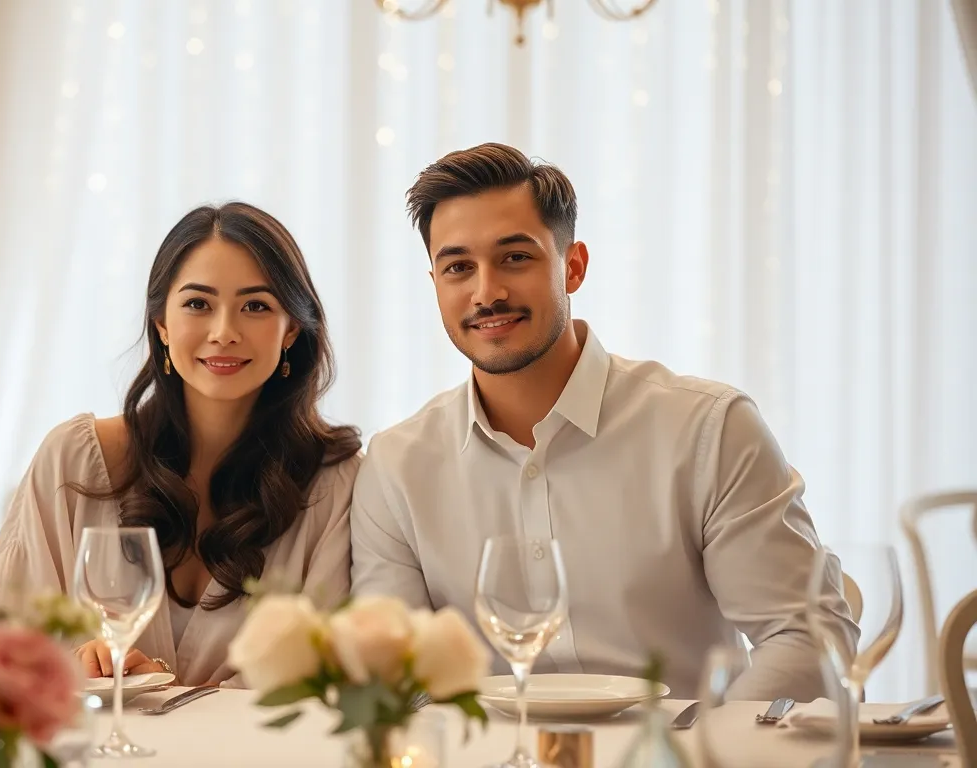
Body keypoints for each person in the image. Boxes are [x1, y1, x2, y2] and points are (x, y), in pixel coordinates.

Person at [349, 142, 857, 699]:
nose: (486, 291)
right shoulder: (396, 466)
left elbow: (804, 635)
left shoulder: (708, 429)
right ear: (436, 285)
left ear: (573, 266)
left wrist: (700, 756)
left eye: (515, 257)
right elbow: (392, 680)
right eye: (458, 267)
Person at [0, 202, 361, 687]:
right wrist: (79, 665)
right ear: (161, 324)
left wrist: (161, 688)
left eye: (256, 306)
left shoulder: (335, 483)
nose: (224, 332)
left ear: (291, 331)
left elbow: (321, 682)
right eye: (198, 304)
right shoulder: (75, 458)